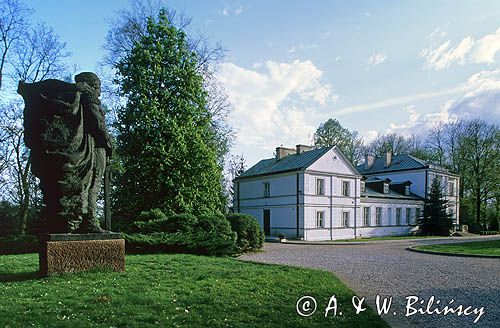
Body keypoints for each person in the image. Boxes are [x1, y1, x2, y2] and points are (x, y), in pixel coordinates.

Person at [18, 72, 112, 233]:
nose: (100, 91)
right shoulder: (88, 97)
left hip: (76, 151)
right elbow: (97, 125)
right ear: (94, 86)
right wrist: (109, 144)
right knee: (91, 187)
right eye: (99, 87)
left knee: (80, 188)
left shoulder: (69, 96)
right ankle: (89, 222)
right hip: (92, 151)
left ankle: (74, 222)